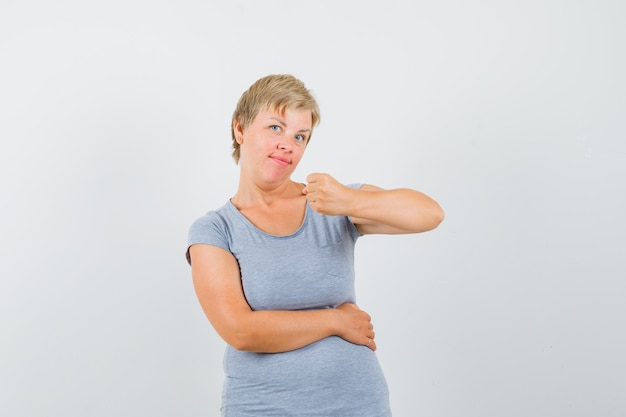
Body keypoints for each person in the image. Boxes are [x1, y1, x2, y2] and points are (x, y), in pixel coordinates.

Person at [186, 74, 444, 416]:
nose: (288, 144)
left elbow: (430, 214)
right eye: (275, 128)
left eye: (300, 136)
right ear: (240, 130)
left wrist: (351, 201)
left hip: (357, 404)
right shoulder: (215, 229)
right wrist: (335, 321)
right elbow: (240, 330)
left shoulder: (331, 203)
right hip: (263, 407)